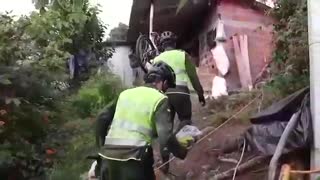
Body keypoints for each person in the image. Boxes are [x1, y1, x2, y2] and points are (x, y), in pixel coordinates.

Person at [97, 61, 191, 180]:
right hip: (134, 161)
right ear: (164, 82)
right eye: (167, 88)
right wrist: (181, 152)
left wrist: (100, 147)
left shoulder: (125, 93)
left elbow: (102, 117)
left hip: (108, 158)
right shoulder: (160, 99)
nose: (166, 91)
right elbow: (165, 137)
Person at [153, 31, 206, 131]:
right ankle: (184, 141)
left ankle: (167, 145)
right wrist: (200, 94)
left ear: (162, 45)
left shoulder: (156, 59)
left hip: (164, 94)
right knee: (185, 120)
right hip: (181, 93)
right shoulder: (183, 55)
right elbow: (193, 77)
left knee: (166, 125)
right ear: (174, 43)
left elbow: (154, 80)